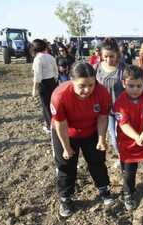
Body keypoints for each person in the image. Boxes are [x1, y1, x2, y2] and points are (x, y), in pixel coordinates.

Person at [50, 62, 115, 217]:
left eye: (91, 85)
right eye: (82, 86)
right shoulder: (60, 95)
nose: (87, 90)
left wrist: (101, 139)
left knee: (97, 160)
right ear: (71, 80)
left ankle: (103, 189)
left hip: (90, 131)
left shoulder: (101, 93)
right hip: (66, 132)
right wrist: (66, 147)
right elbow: (61, 124)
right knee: (66, 164)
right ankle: (66, 198)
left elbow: (102, 117)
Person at [113, 65, 143, 211]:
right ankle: (129, 191)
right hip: (128, 143)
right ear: (123, 84)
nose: (135, 89)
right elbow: (123, 124)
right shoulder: (119, 102)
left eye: (139, 86)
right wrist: (136, 136)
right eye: (131, 85)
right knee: (128, 172)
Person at [95, 37, 128, 169]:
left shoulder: (124, 69)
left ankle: (127, 156)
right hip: (105, 111)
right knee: (113, 137)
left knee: (122, 135)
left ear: (117, 54)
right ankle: (122, 157)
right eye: (106, 56)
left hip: (121, 109)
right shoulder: (96, 68)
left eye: (112, 56)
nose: (109, 60)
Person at [31, 39, 58, 134]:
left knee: (46, 106)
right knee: (53, 104)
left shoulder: (38, 59)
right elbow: (56, 71)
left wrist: (34, 89)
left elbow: (37, 76)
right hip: (53, 83)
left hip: (43, 84)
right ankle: (55, 123)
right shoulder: (51, 57)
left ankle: (50, 126)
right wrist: (55, 80)